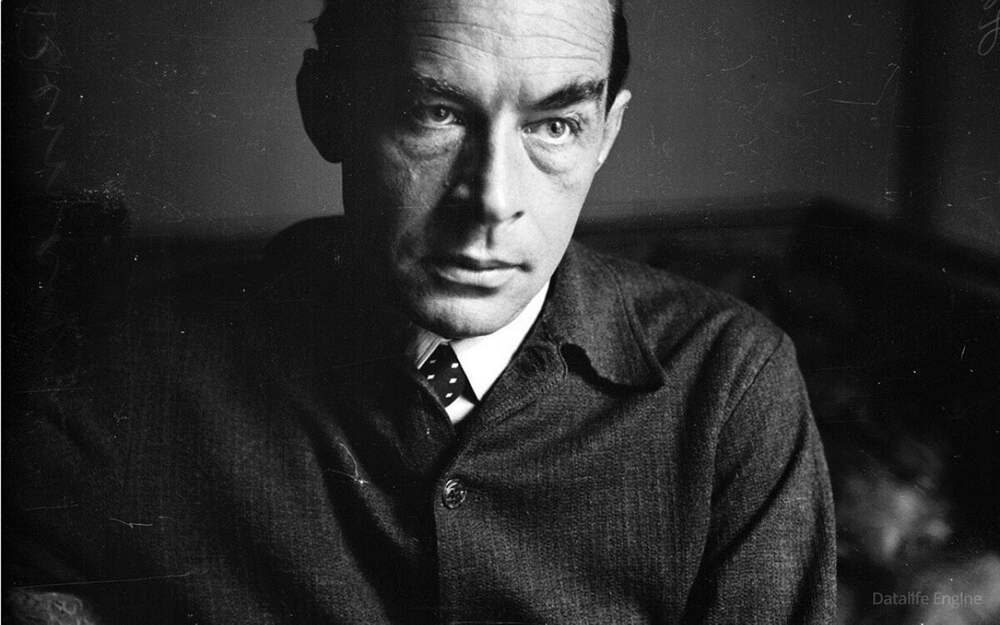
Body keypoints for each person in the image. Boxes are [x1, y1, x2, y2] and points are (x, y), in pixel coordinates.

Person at [6, 0, 836, 622]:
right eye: (434, 113)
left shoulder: (729, 388)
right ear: (326, 104)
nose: (492, 201)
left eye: (555, 125)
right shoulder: (119, 373)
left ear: (606, 134)